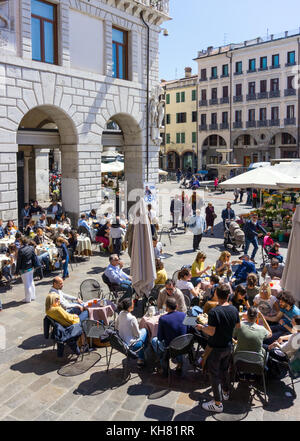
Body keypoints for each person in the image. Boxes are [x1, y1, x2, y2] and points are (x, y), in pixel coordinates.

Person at [196, 283, 240, 413]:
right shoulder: (234, 309)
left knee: (214, 375)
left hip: (216, 348)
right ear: (228, 295)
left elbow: (211, 332)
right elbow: (238, 327)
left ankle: (217, 403)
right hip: (228, 346)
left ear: (216, 294)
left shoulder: (214, 312)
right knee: (224, 371)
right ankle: (226, 392)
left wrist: (201, 327)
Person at [151, 297, 187, 374]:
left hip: (170, 348)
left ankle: (163, 364)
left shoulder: (163, 319)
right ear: (176, 306)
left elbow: (160, 338)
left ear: (166, 308)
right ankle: (180, 363)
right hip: (184, 346)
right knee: (177, 341)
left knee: (154, 341)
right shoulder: (184, 315)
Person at [116, 298, 148, 366]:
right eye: (133, 304)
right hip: (131, 345)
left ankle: (141, 356)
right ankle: (141, 358)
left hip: (121, 343)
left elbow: (116, 327)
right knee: (145, 331)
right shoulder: (132, 318)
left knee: (142, 332)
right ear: (130, 307)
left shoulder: (120, 314)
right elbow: (137, 335)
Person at [15, 236, 37, 303]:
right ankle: (33, 296)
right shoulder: (31, 248)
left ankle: (28, 299)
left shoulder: (21, 250)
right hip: (31, 267)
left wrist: (16, 271)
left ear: (21, 242)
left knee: (27, 284)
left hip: (24, 269)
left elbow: (18, 262)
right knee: (31, 282)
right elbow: (34, 257)